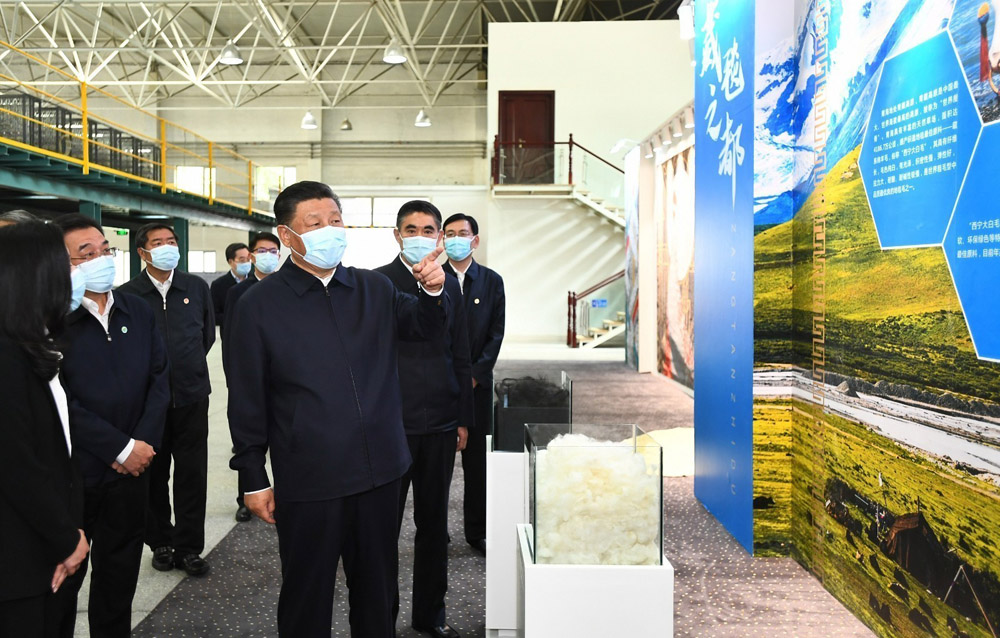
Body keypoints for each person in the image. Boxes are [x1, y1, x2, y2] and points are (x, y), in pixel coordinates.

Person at [227, 180, 448, 638]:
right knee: (307, 596)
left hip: (380, 472)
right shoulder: (258, 306)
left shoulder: (374, 288)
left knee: (377, 593)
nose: (330, 230)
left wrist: (432, 291)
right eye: (315, 223)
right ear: (287, 235)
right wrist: (252, 474)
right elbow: (246, 397)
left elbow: (423, 327)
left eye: (335, 220)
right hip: (311, 478)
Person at [53, 214, 170, 638]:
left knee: (119, 579)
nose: (101, 259)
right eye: (85, 253)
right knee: (63, 585)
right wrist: (119, 448)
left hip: (133, 473)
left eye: (105, 249)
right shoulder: (52, 320)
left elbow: (160, 380)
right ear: (60, 264)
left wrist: (142, 445)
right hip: (76, 476)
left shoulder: (137, 309)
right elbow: (59, 400)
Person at [376, 201, 473, 638]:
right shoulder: (377, 284)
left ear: (440, 237)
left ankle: (430, 614)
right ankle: (382, 616)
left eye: (428, 229)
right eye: (410, 229)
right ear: (397, 235)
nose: (419, 236)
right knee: (383, 529)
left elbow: (460, 352)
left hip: (440, 422)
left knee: (434, 527)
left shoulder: (448, 283)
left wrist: (462, 417)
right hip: (390, 424)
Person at [0, 220, 89, 638]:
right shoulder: (7, 358)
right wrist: (65, 540)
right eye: (65, 264)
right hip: (23, 560)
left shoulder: (34, 345)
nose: (74, 274)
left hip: (49, 545)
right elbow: (17, 465)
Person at [118, 222, 215, 577]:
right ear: (142, 252)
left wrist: (187, 367)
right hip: (148, 403)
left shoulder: (195, 287)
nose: (167, 247)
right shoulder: (127, 295)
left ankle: (189, 547)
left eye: (171, 241)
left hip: (192, 395)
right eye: (157, 242)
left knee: (192, 474)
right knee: (152, 474)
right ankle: (160, 540)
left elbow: (206, 335)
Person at [442, 213, 506, 555]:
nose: (456, 239)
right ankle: (436, 530)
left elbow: (496, 333)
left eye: (462, 233)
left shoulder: (492, 281)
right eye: (449, 234)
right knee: (437, 465)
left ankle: (477, 531)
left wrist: (475, 375)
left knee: (477, 462)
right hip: (440, 386)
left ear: (475, 240)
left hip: (478, 387)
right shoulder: (432, 278)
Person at [220, 230, 281, 523]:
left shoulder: (287, 289)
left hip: (282, 379)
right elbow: (230, 340)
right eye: (262, 251)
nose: (268, 256)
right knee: (250, 443)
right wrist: (235, 380)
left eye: (273, 251)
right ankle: (246, 496)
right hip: (251, 378)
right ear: (252, 255)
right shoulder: (239, 293)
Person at [210, 242, 250, 329]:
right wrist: (235, 317)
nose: (246, 263)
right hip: (230, 332)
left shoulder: (256, 281)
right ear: (231, 262)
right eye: (242, 260)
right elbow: (213, 315)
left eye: (248, 259)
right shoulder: (218, 285)